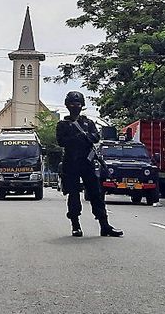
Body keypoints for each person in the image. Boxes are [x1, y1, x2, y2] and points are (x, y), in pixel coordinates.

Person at [56, 91, 123, 238]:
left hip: (87, 162)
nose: (75, 107)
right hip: (71, 163)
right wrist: (76, 137)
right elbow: (61, 141)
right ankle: (75, 225)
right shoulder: (63, 124)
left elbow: (96, 137)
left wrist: (86, 136)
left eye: (78, 104)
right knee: (73, 195)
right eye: (73, 104)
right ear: (67, 105)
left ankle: (104, 225)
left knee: (96, 194)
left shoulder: (88, 123)